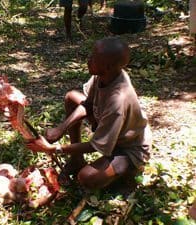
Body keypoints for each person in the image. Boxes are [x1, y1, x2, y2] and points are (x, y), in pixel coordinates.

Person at [26, 37, 152, 193]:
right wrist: (61, 128)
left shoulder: (118, 102)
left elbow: (95, 145)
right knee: (72, 97)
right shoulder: (104, 75)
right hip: (110, 126)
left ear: (107, 66)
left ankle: (126, 170)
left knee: (87, 178)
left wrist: (53, 149)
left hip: (128, 147)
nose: (88, 60)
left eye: (93, 58)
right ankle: (76, 160)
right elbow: (87, 104)